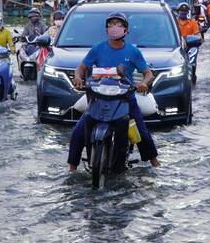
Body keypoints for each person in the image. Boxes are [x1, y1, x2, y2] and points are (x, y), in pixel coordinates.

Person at [68, 13, 161, 171]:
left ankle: (155, 164)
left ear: (125, 29)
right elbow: (81, 68)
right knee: (78, 132)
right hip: (99, 98)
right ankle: (72, 169)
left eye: (118, 24)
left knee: (142, 134)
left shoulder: (133, 51)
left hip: (125, 98)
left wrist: (143, 83)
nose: (114, 27)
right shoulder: (98, 48)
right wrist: (77, 78)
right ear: (106, 29)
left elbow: (148, 73)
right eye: (111, 24)